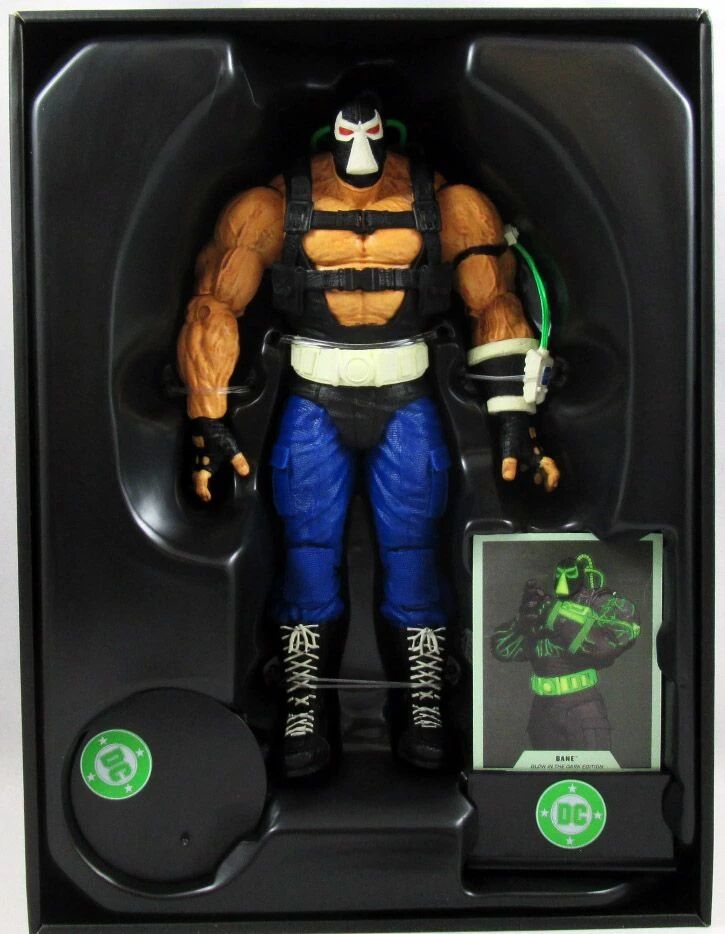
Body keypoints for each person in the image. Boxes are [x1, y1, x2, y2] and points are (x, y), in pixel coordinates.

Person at [177, 93, 559, 777]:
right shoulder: (271, 206)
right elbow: (214, 305)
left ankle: (423, 701)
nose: (359, 137)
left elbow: (494, 303)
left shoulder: (448, 203)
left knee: (413, 550)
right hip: (311, 394)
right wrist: (207, 419)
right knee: (307, 550)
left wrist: (513, 420)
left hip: (407, 392)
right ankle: (302, 701)